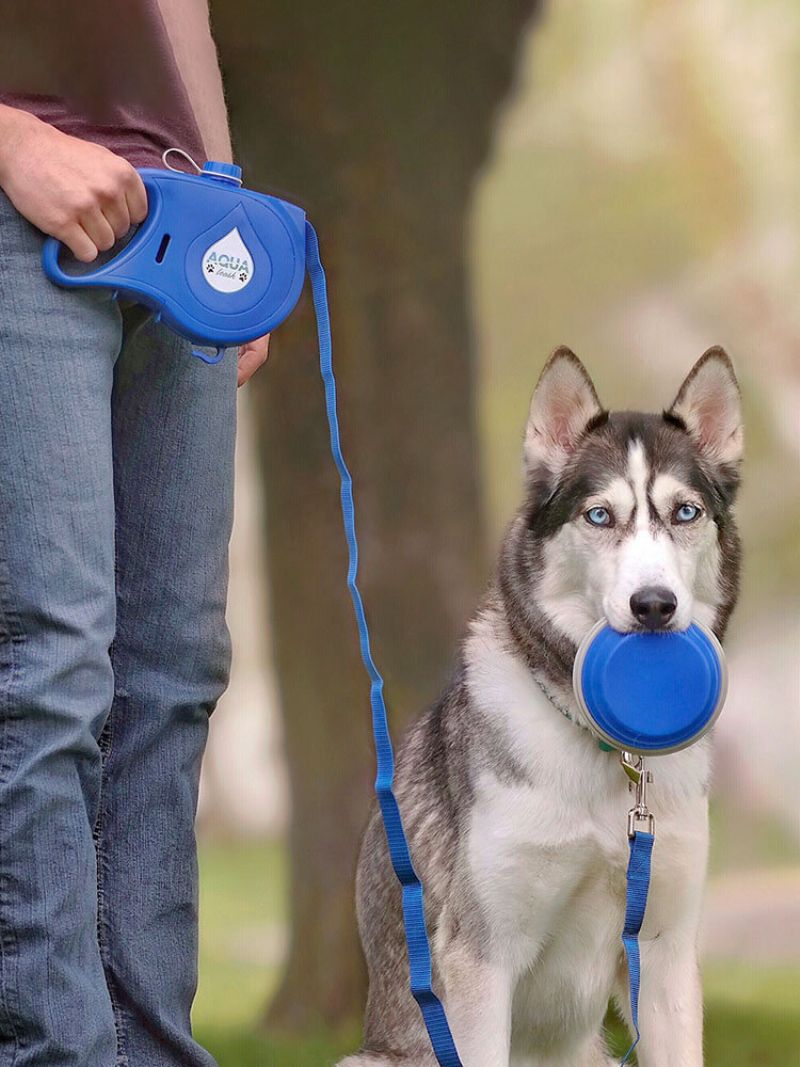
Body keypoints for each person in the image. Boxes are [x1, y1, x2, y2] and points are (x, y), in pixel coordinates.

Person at [0, 3, 267, 1064]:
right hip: (20, 195)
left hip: (181, 218)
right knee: (50, 660)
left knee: (171, 673)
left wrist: (227, 197)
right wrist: (12, 139)